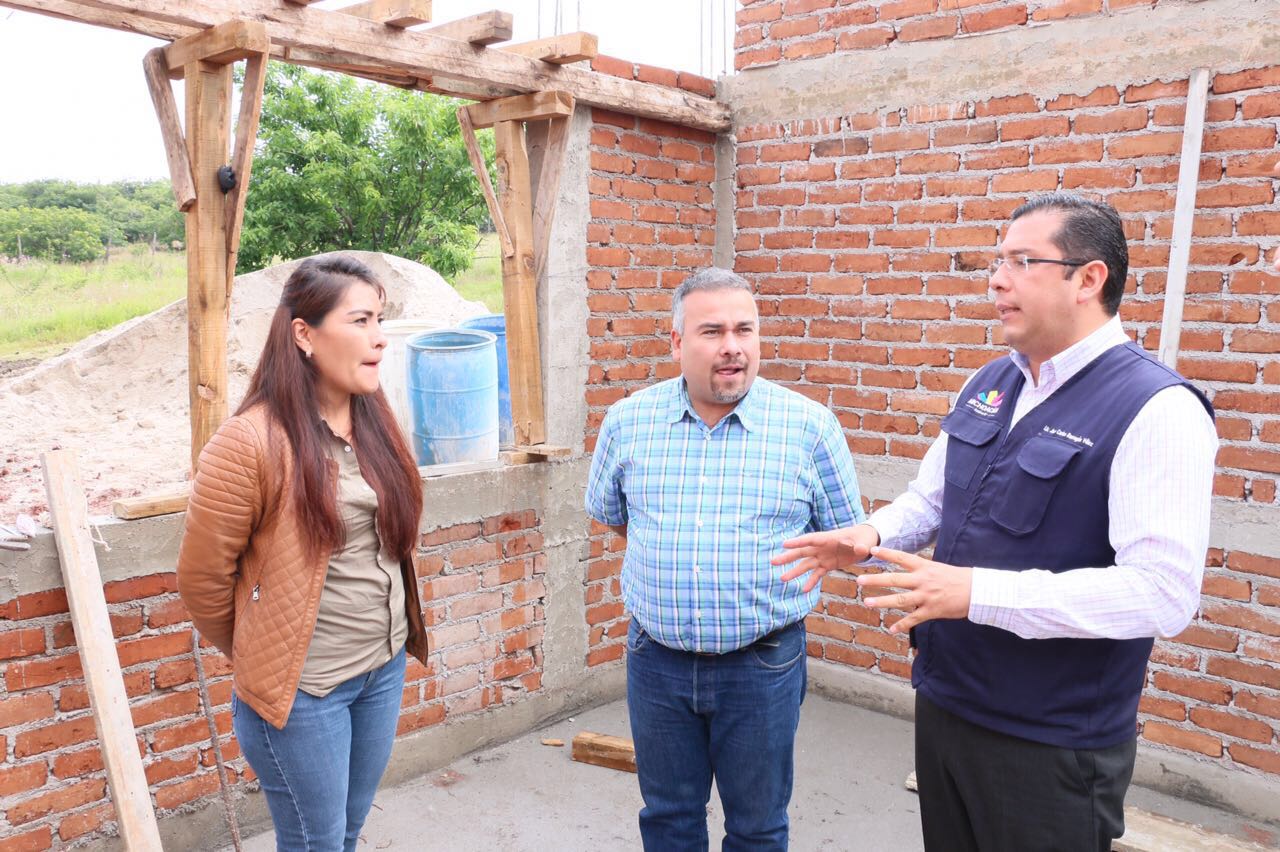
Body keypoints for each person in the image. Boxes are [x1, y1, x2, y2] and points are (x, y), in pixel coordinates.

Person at [776, 193, 1217, 851]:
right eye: (996, 262)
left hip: (1051, 742)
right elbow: (932, 500)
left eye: (1022, 262)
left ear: (1088, 279)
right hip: (948, 703)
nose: (996, 280)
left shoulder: (1157, 409)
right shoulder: (989, 383)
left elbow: (1164, 593)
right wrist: (869, 537)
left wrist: (976, 593)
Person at [584, 267, 865, 850]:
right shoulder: (628, 422)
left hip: (762, 666)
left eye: (745, 330)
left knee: (758, 827)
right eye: (712, 331)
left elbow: (846, 537)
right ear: (677, 342)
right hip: (656, 663)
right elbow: (614, 517)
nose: (732, 346)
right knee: (668, 818)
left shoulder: (809, 428)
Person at [177, 255, 428, 852]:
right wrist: (264, 649)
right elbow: (202, 580)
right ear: (304, 335)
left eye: (380, 319)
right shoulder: (249, 442)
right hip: (306, 694)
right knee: (317, 842)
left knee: (346, 831)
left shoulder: (375, 420)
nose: (380, 337)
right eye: (360, 321)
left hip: (382, 668)